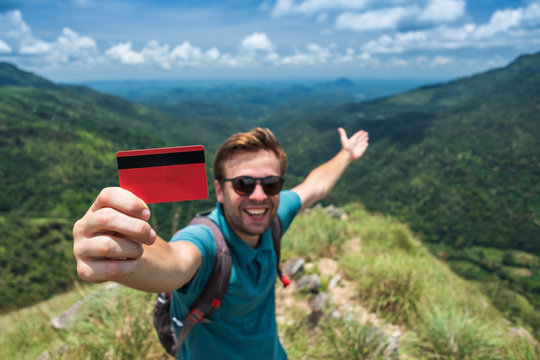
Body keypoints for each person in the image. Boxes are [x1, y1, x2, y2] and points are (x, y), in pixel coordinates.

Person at [73, 126, 369, 359]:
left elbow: (315, 187)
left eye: (271, 184)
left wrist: (345, 154)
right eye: (242, 184)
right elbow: (175, 262)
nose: (258, 196)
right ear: (219, 190)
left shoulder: (275, 219)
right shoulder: (207, 240)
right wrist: (119, 252)